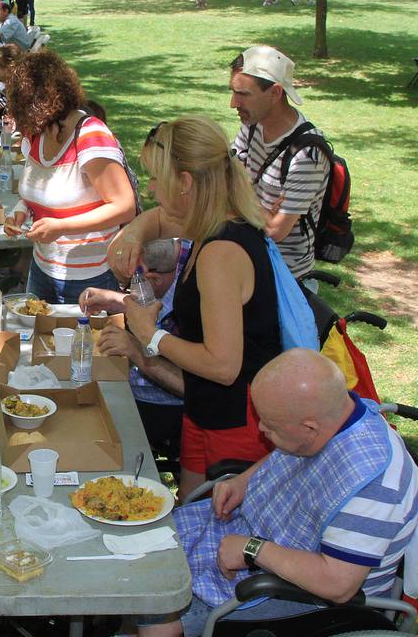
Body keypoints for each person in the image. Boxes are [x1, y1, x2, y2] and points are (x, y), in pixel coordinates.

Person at [56, 348, 418, 637]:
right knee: (150, 540)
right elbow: (286, 455)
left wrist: (253, 549)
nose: (262, 433)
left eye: (269, 426)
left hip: (309, 594)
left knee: (162, 591)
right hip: (267, 536)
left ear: (310, 425)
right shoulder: (339, 415)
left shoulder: (371, 486)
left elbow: (338, 583)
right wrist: (245, 481)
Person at [105, 115, 284, 498]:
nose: (150, 189)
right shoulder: (211, 225)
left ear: (185, 183)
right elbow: (155, 219)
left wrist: (149, 334)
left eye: (155, 178)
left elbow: (222, 366)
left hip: (237, 422)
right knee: (189, 517)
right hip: (205, 411)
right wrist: (135, 232)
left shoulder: (221, 252)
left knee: (210, 527)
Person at [3, 50, 136, 304]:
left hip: (89, 277)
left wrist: (62, 226)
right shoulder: (37, 134)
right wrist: (22, 209)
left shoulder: (90, 136)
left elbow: (124, 206)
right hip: (43, 268)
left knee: (84, 344)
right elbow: (37, 190)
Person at [80, 237, 188, 464]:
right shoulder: (180, 253)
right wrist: (115, 301)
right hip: (136, 384)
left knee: (86, 421)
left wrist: (136, 352)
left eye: (130, 284)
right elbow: (152, 301)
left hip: (164, 407)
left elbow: (191, 387)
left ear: (153, 278)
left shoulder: (192, 302)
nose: (128, 291)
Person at [226, 47, 329, 281]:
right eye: (233, 91)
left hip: (283, 279)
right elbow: (224, 177)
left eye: (243, 94)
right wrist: (263, 207)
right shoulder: (252, 126)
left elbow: (275, 231)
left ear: (275, 93)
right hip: (246, 260)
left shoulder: (307, 154)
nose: (233, 103)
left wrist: (239, 188)